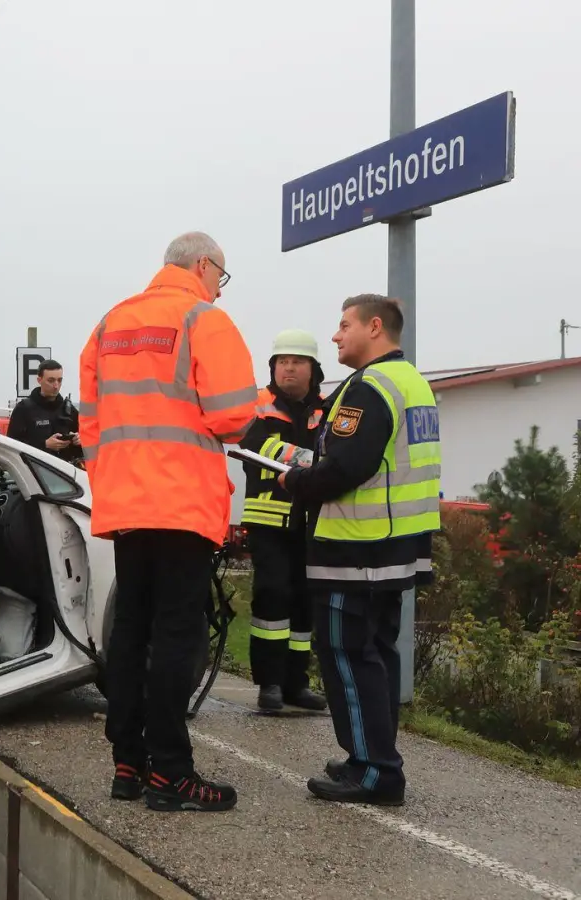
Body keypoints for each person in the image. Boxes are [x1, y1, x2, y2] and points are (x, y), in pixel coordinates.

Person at [78, 231, 259, 812]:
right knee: (178, 637)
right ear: (203, 265)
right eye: (221, 277)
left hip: (126, 505)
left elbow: (90, 424)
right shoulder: (203, 319)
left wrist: (114, 476)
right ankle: (172, 774)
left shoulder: (109, 324)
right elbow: (234, 415)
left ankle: (128, 764)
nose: (219, 290)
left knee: (130, 632)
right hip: (181, 505)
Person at [278, 294, 440, 807]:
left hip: (357, 547)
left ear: (375, 327)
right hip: (398, 545)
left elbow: (346, 467)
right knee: (379, 654)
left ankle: (374, 770)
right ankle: (372, 754)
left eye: (344, 325)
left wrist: (296, 481)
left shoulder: (368, 387)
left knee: (348, 654)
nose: (335, 336)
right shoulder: (413, 381)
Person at [238, 329, 329, 713]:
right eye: (282, 361)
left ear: (313, 368)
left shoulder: (328, 407)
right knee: (272, 596)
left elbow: (338, 449)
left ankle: (296, 683)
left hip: (311, 520)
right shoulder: (258, 403)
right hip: (268, 520)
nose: (288, 367)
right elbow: (255, 445)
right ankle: (269, 684)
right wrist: (312, 461)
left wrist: (322, 461)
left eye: (297, 361)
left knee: (304, 602)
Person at [7, 360, 83, 465]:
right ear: (39, 380)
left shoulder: (69, 410)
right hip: (35, 473)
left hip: (65, 473)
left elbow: (87, 447)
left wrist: (79, 441)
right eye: (51, 380)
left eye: (59, 380)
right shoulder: (24, 409)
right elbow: (12, 446)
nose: (56, 385)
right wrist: (45, 445)